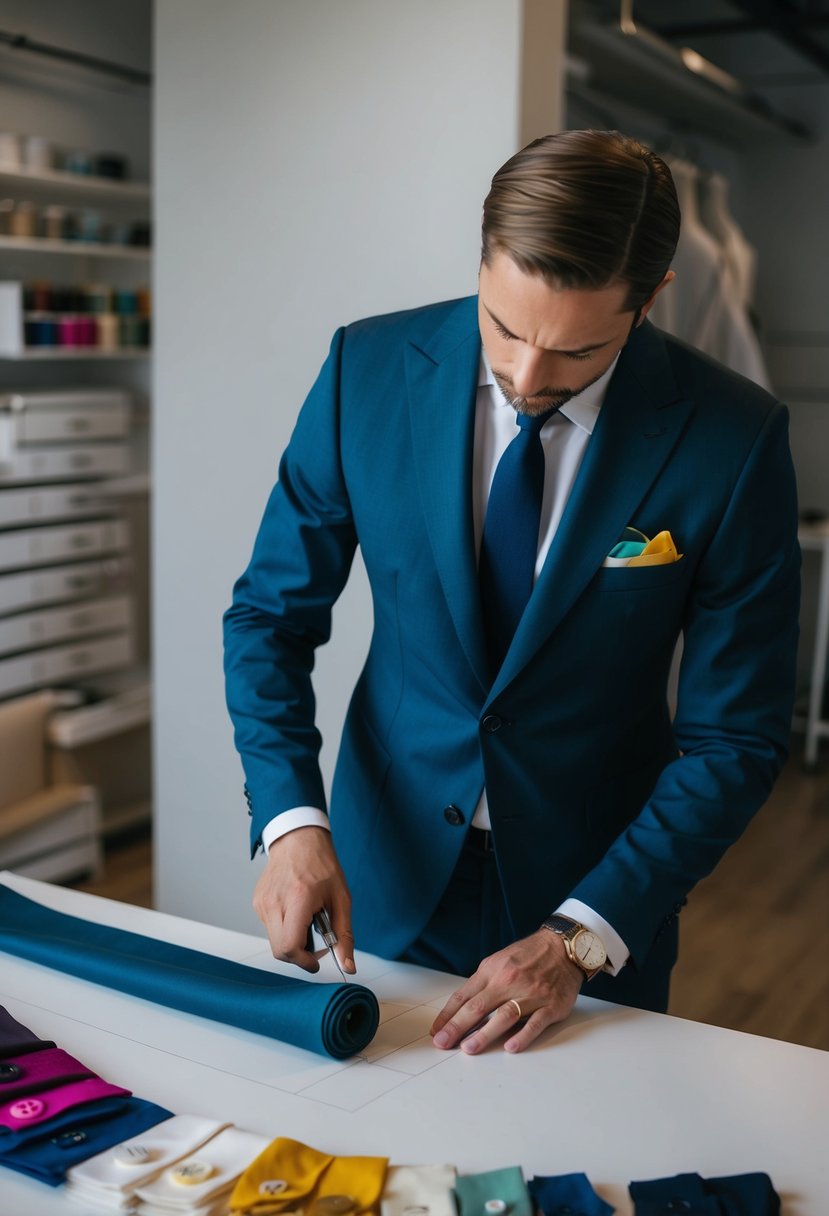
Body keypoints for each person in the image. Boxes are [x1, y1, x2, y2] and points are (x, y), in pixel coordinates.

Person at [223, 130, 800, 1055]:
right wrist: (289, 820)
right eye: (504, 328)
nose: (527, 380)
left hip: (600, 896)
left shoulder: (734, 439)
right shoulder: (363, 372)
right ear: (482, 257)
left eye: (578, 352)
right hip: (379, 880)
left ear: (652, 298)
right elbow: (269, 618)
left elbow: (734, 735)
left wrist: (581, 937)